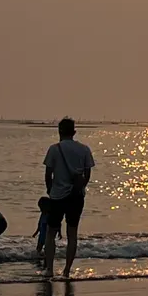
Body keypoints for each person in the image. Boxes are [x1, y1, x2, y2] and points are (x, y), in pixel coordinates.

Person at [43, 117, 95, 278]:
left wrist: (50, 190)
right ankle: (66, 271)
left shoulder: (54, 149)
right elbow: (88, 174)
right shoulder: (84, 149)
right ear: (74, 132)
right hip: (76, 197)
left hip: (57, 196)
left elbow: (48, 174)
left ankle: (50, 270)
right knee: (72, 234)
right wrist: (80, 187)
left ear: (59, 131)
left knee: (51, 233)